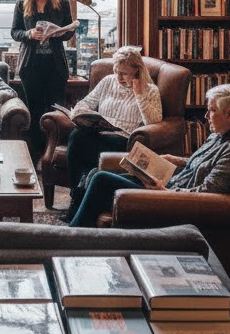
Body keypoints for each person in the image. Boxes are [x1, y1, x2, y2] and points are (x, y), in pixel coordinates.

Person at [69, 83, 230, 227]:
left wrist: (166, 193)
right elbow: (206, 164)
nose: (206, 115)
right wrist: (179, 161)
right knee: (94, 174)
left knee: (101, 179)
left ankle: (75, 235)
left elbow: (210, 194)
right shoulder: (221, 134)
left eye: (212, 110)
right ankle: (83, 230)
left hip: (171, 199)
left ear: (229, 114)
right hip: (170, 185)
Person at [65, 45, 162, 218]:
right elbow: (86, 102)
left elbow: (153, 122)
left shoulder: (150, 90)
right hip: (98, 133)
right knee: (77, 135)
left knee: (83, 144)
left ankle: (78, 200)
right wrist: (80, 113)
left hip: (123, 139)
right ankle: (77, 194)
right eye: (116, 71)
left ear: (137, 71)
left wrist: (138, 94)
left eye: (124, 73)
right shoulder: (108, 81)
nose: (119, 77)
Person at [11, 0, 75, 157]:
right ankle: (37, 154)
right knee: (36, 110)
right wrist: (29, 34)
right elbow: (15, 32)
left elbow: (68, 32)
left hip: (55, 66)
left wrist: (58, 33)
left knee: (56, 109)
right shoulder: (22, 3)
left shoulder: (61, 3)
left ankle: (55, 153)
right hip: (31, 66)